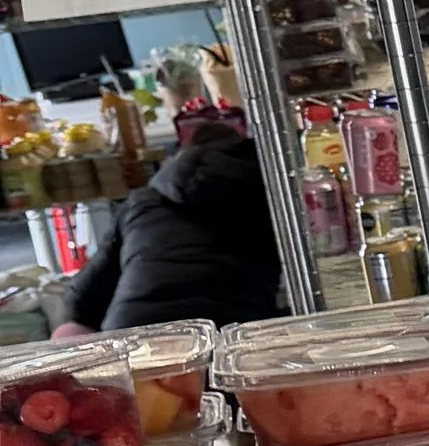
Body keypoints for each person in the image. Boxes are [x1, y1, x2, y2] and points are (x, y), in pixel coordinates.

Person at [61, 108, 284, 334]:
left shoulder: (142, 201)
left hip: (132, 337)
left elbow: (82, 303)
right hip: (226, 335)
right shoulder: (269, 196)